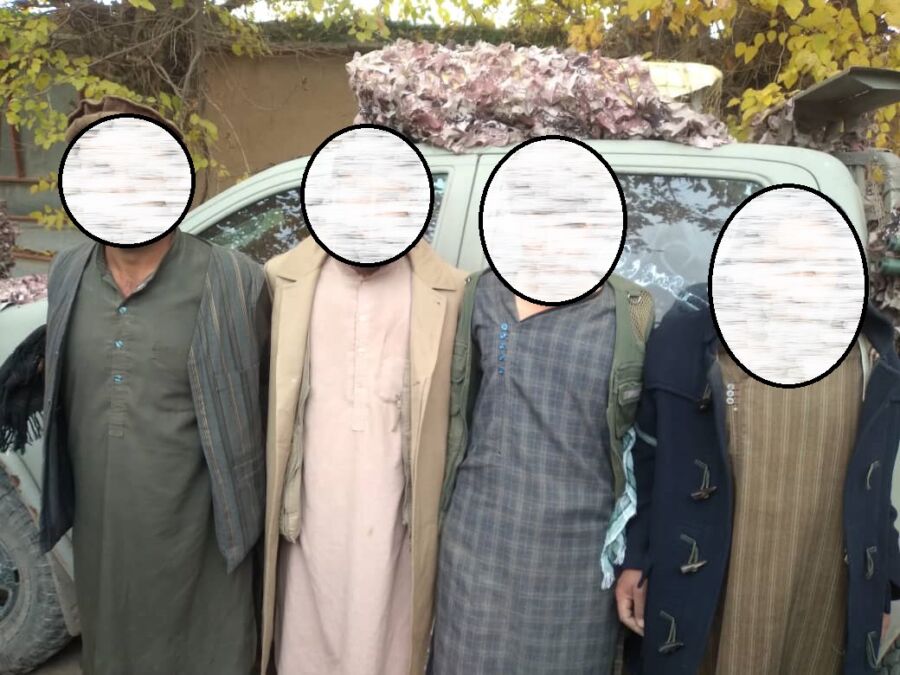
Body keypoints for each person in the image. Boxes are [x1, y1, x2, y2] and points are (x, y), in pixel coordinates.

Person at [39, 95, 270, 675]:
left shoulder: (234, 281)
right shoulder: (67, 273)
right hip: (101, 535)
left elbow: (267, 410)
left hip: (199, 543)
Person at [615, 285, 900, 675]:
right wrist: (636, 559)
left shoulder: (870, 354)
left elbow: (876, 489)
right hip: (711, 599)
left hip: (819, 594)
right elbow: (647, 458)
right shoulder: (688, 340)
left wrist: (878, 589)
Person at [258, 235, 466, 675]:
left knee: (385, 642)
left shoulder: (449, 291)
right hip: (308, 519)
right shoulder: (284, 278)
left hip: (394, 526)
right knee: (302, 641)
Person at [431, 267, 655, 673]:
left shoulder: (631, 312)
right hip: (475, 550)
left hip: (578, 564)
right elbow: (458, 413)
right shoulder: (484, 292)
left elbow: (647, 447)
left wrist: (638, 556)